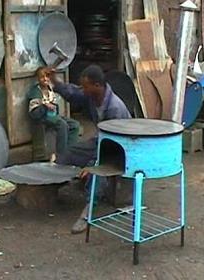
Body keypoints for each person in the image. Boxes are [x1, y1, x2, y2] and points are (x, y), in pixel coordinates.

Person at [50, 64, 131, 234]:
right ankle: (51, 186)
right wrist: (54, 81)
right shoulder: (91, 96)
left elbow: (113, 146)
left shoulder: (115, 108)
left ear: (97, 85)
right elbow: (72, 93)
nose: (83, 89)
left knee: (97, 171)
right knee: (70, 153)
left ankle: (88, 213)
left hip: (120, 149)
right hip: (101, 140)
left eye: (85, 86)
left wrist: (94, 164)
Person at [27, 67, 80, 161]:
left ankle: (71, 152)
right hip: (43, 117)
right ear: (38, 79)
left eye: (47, 76)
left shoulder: (50, 89)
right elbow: (33, 113)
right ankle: (61, 156)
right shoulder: (35, 92)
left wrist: (54, 109)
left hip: (53, 116)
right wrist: (44, 106)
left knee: (74, 125)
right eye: (42, 77)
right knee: (62, 124)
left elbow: (56, 106)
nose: (45, 79)